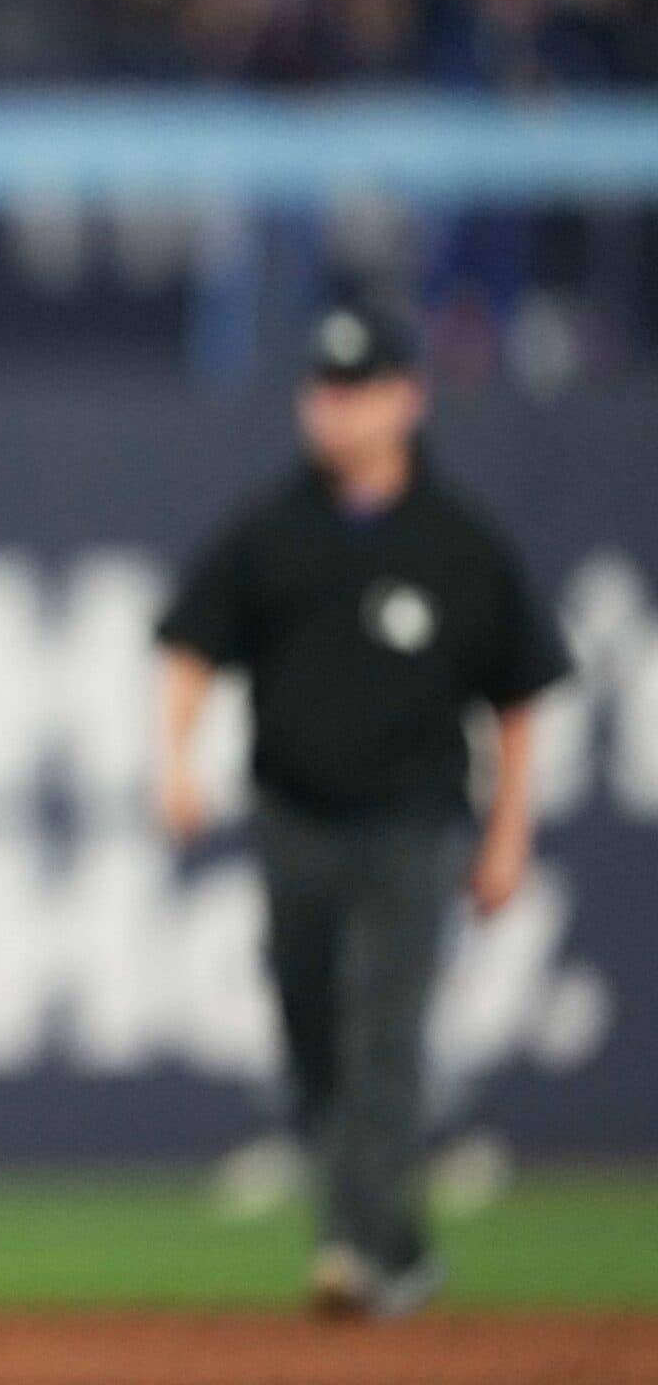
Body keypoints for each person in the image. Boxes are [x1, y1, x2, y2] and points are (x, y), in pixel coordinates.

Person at [154, 304, 570, 1319]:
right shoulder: (273, 528)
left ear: (406, 398)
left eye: (356, 389)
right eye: (322, 390)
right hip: (294, 815)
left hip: (414, 823)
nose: (334, 410)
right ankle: (401, 1246)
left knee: (383, 1033)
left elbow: (518, 693)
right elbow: (190, 642)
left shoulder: (456, 541)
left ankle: (354, 1246)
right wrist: (174, 759)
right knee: (312, 1035)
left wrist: (509, 831)